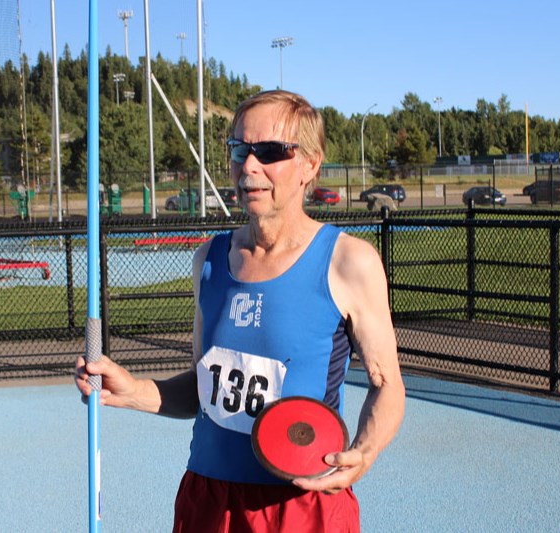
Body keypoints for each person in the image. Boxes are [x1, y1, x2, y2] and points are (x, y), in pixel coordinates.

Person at [76, 89, 405, 532]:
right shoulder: (208, 260)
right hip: (209, 499)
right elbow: (203, 389)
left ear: (310, 163)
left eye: (270, 151)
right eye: (239, 150)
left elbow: (387, 386)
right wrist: (133, 390)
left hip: (302, 504)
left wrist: (364, 452)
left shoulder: (349, 262)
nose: (249, 166)